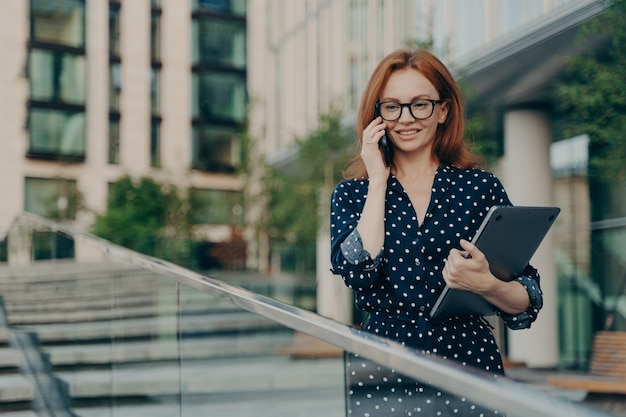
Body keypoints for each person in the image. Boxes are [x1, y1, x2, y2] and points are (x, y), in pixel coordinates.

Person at [329, 49, 543, 416]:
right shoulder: (353, 194)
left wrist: (486, 284)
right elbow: (358, 271)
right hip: (383, 363)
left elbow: (528, 300)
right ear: (377, 115)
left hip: (468, 360)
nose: (406, 118)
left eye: (420, 104)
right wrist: (377, 179)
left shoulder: (480, 188)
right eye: (392, 106)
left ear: (443, 110)